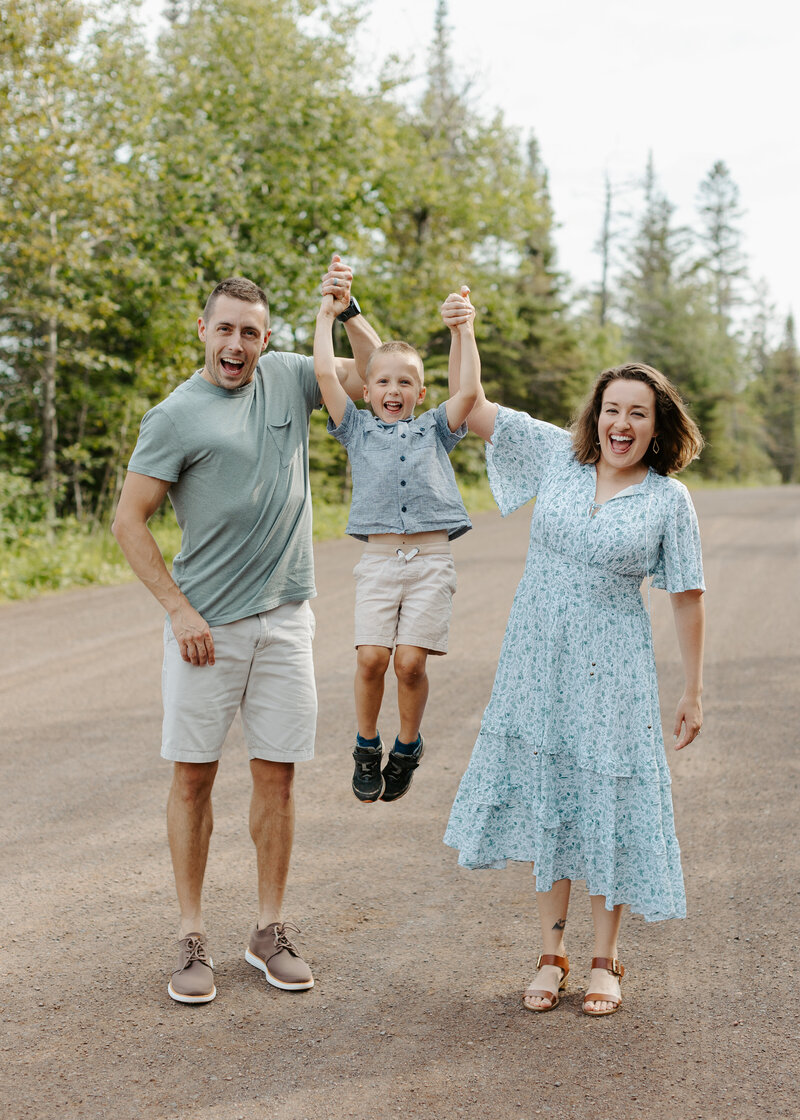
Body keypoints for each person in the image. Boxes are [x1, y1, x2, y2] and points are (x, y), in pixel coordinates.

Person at [112, 258, 380, 1004]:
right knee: (194, 776)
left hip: (287, 621)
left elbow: (377, 378)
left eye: (251, 333)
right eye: (225, 329)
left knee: (279, 776)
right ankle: (191, 937)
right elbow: (127, 521)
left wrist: (348, 308)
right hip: (205, 629)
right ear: (203, 331)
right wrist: (178, 609)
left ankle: (268, 931)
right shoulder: (174, 415)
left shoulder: (294, 375)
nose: (236, 344)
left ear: (266, 340)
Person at [441, 290, 705, 1017]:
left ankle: (604, 957)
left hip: (614, 671)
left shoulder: (666, 501)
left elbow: (687, 594)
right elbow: (469, 407)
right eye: (612, 410)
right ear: (596, 416)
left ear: (658, 428)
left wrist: (692, 692)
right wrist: (464, 331)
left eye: (638, 414)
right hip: (537, 662)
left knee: (608, 801)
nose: (621, 424)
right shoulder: (557, 457)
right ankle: (550, 953)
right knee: (554, 801)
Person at [313, 284, 481, 803]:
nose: (393, 388)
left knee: (409, 663)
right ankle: (367, 746)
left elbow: (470, 394)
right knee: (370, 659)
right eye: (382, 380)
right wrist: (326, 314)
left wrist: (464, 330)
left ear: (420, 393)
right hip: (381, 562)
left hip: (430, 561)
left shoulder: (436, 429)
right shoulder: (355, 430)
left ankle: (407, 746)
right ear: (366, 390)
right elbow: (323, 373)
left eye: (405, 382)